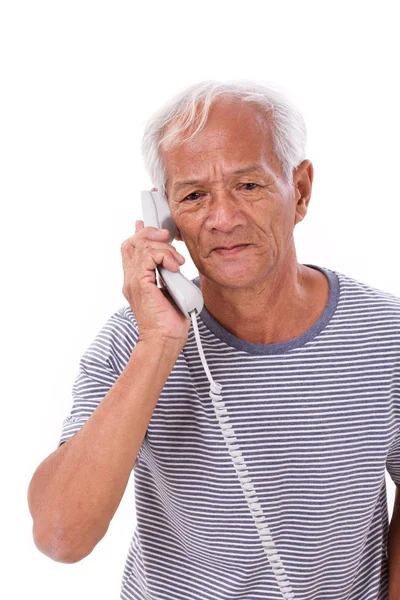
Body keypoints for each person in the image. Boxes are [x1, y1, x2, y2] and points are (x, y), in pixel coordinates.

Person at [27, 79, 400, 600]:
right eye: (195, 195)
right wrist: (158, 344)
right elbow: (60, 537)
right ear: (167, 217)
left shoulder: (387, 332)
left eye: (249, 186)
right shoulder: (130, 340)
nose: (223, 219)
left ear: (302, 191)